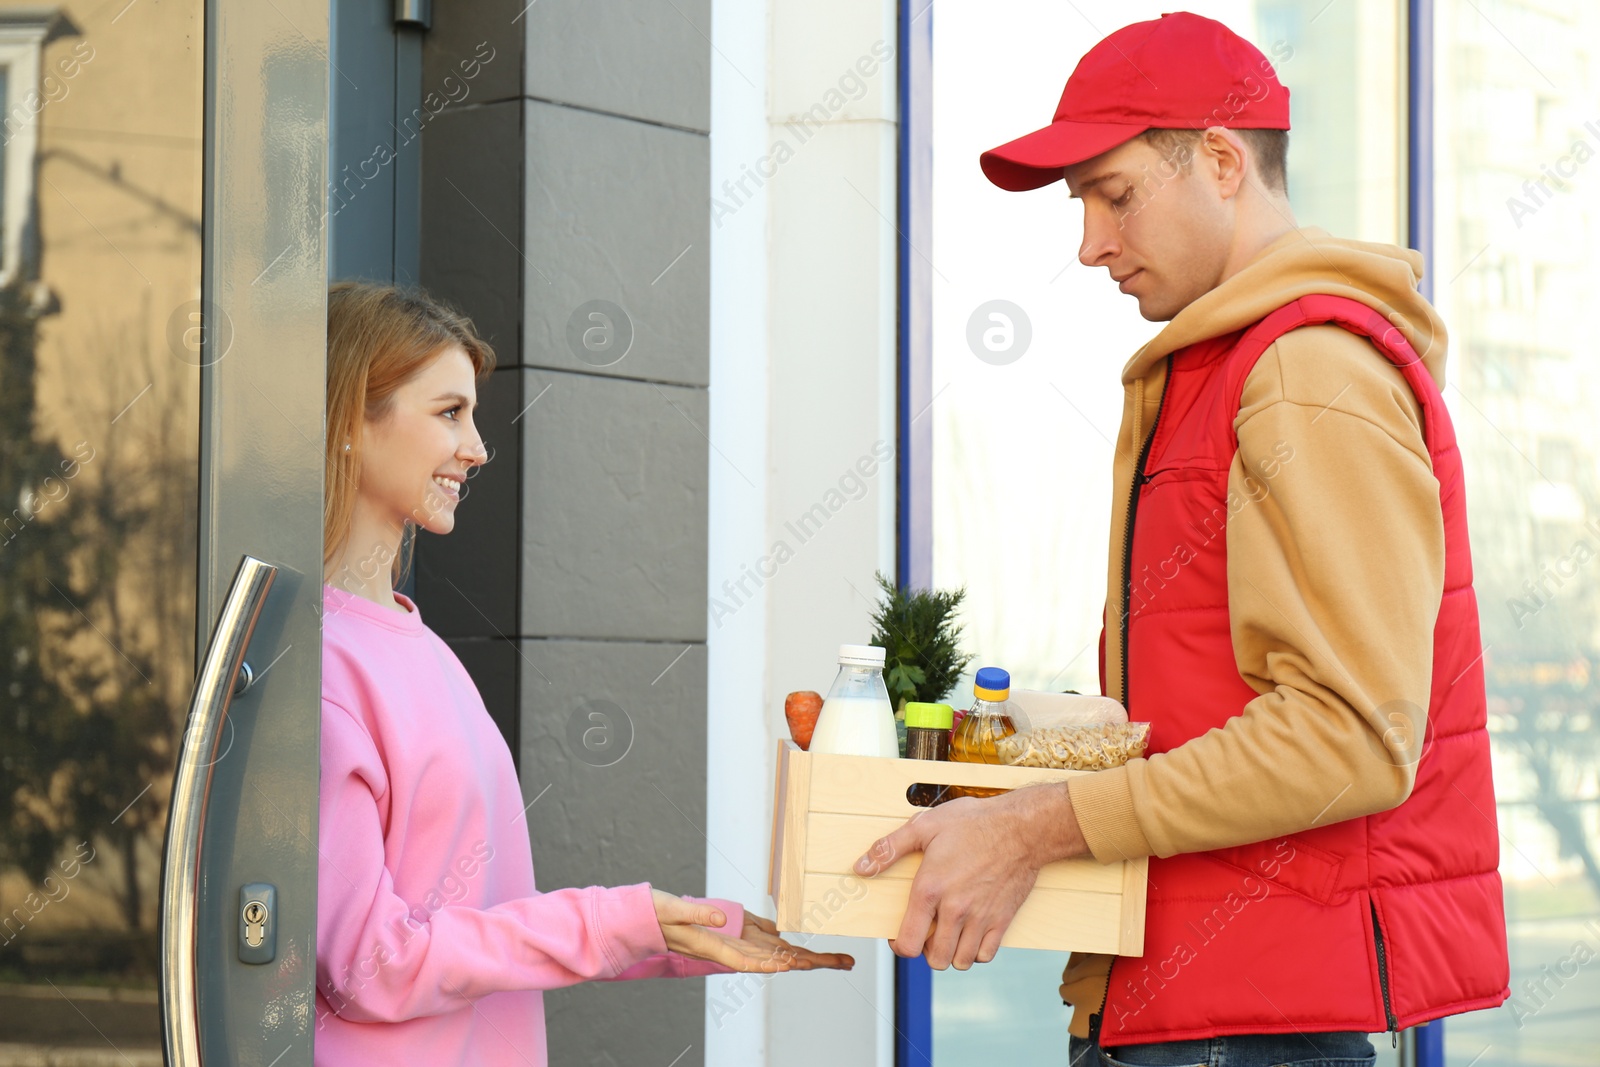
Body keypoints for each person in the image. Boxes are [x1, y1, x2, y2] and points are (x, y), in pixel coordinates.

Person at [853, 12, 1509, 1067]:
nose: (1089, 245)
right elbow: (1230, 691)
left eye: (1113, 196)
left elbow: (1347, 736)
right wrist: (1037, 739)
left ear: (1217, 161)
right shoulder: (1226, 363)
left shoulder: (1306, 370)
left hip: (1243, 1024)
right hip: (1188, 1010)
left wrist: (1034, 825)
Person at [315, 281, 852, 1065]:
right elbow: (370, 965)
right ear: (350, 424)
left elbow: (478, 919)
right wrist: (617, 922)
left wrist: (685, 932)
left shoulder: (414, 641)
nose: (477, 447)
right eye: (448, 412)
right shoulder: (325, 664)